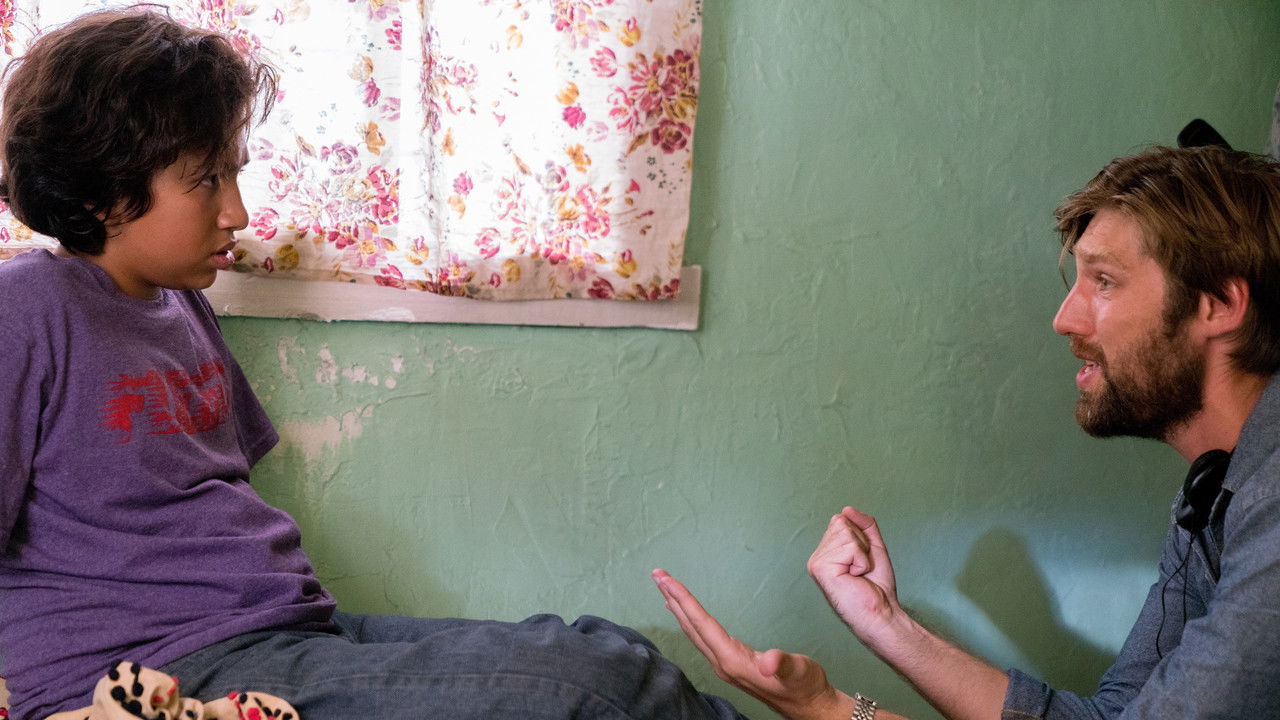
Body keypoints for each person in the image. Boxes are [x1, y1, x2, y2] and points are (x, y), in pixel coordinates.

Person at [0, 9, 747, 720]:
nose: (238, 213)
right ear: (101, 190)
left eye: (235, 174)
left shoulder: (180, 301)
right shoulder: (27, 306)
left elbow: (212, 499)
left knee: (612, 654)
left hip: (284, 631)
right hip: (161, 668)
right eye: (206, 181)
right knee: (596, 691)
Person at [654, 144, 1280, 720]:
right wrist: (885, 625)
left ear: (1219, 305)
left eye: (1105, 281)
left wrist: (832, 713)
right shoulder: (1213, 492)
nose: (1065, 319)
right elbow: (1115, 715)